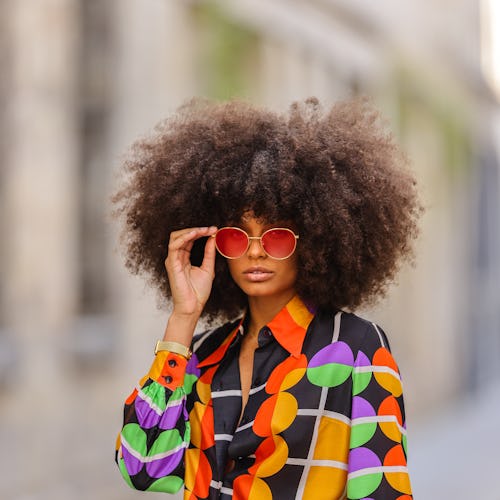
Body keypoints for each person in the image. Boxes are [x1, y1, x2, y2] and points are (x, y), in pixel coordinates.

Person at [113, 97, 421, 499]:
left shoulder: (356, 348)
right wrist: (183, 317)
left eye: (275, 236)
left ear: (312, 240)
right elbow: (143, 469)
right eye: (235, 236)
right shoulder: (202, 354)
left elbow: (382, 489)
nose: (254, 251)